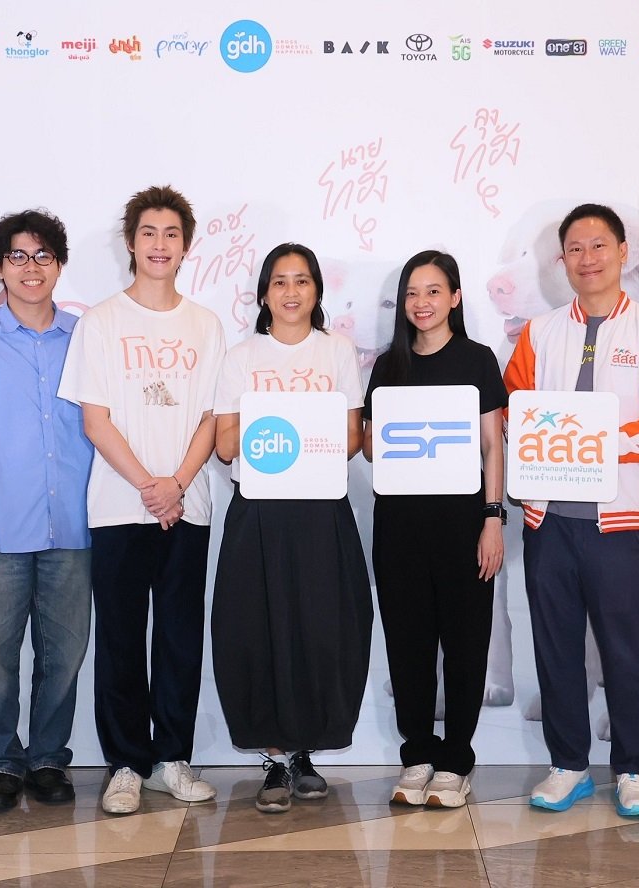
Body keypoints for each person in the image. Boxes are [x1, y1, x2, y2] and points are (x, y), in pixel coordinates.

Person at [503, 204, 639, 815]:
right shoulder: (539, 332)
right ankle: (568, 766)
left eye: (599, 245)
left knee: (625, 649)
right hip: (548, 520)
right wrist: (542, 442)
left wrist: (593, 442)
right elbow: (513, 408)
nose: (588, 259)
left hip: (618, 522)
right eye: (575, 249)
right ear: (562, 260)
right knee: (556, 648)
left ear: (622, 252)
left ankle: (633, 769)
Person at [58, 186, 225, 815]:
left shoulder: (205, 324)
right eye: (149, 233)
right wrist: (149, 486)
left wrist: (176, 483)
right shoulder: (101, 321)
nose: (160, 244)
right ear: (131, 243)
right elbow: (95, 419)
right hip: (119, 507)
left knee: (180, 637)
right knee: (121, 638)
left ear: (186, 246)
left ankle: (171, 758)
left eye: (171, 234)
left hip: (187, 506)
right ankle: (127, 764)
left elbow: (211, 417)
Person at [211, 242, 373, 814]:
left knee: (321, 629)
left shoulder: (337, 351)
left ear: (317, 291)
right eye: (279, 281)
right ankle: (274, 761)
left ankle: (304, 753)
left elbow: (352, 437)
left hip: (320, 511)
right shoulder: (240, 357)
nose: (290, 291)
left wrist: (292, 432)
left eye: (302, 280)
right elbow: (225, 444)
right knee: (255, 630)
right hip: (259, 512)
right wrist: (285, 422)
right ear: (263, 294)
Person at [0, 210, 94, 813]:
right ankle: (1, 761)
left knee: (65, 655)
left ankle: (49, 757)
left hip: (75, 526)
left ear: (59, 265)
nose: (32, 268)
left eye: (43, 256)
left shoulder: (87, 337)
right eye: (18, 256)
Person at [362, 251, 506, 809]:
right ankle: (418, 754)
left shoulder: (477, 360)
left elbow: (493, 446)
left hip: (465, 526)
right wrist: (377, 433)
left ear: (455, 297)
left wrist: (493, 517)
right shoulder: (387, 366)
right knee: (408, 645)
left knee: (466, 646)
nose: (421, 303)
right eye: (411, 293)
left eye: (433, 291)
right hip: (399, 529)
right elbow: (371, 449)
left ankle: (456, 761)